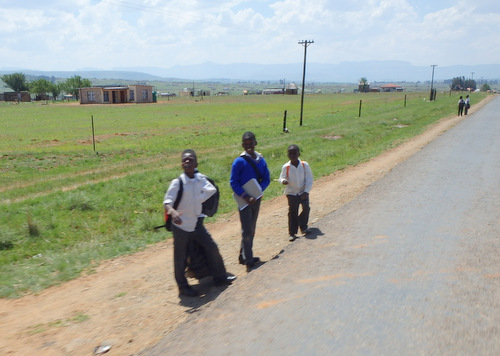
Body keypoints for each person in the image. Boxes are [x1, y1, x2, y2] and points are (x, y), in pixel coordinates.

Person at [164, 149, 235, 297]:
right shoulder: (177, 183)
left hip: (196, 225)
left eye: (190, 160)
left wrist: (199, 200)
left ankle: (220, 277)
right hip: (181, 226)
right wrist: (172, 212)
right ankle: (183, 288)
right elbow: (167, 202)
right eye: (185, 160)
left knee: (212, 248)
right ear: (181, 164)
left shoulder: (200, 179)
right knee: (180, 258)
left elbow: (212, 190)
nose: (187, 162)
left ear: (196, 163)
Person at [230, 132, 271, 272]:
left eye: (251, 143)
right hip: (244, 201)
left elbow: (266, 178)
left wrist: (258, 192)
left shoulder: (261, 160)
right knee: (247, 230)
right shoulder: (239, 161)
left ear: (255, 143)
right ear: (242, 145)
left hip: (256, 199)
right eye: (246, 144)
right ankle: (248, 260)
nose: (248, 146)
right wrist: (246, 196)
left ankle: (243, 256)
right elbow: (233, 182)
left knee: (251, 228)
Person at [279, 144, 314, 241]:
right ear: (287, 155)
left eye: (295, 153)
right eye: (290, 153)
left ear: (299, 154)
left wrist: (306, 191)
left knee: (306, 208)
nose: (292, 155)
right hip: (291, 193)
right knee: (293, 212)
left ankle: (303, 226)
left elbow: (309, 179)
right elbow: (281, 177)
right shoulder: (286, 167)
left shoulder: (304, 165)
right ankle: (292, 233)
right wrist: (283, 181)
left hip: (303, 192)